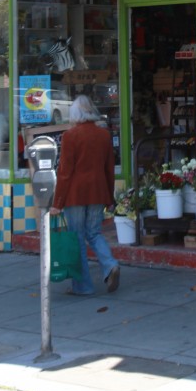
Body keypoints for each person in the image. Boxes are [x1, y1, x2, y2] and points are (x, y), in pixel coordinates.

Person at [49, 95, 120, 296]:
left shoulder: (70, 136)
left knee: (78, 236)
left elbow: (65, 172)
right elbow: (109, 169)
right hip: (98, 191)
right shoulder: (104, 135)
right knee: (94, 232)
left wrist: (57, 203)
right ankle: (111, 264)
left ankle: (83, 286)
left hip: (75, 194)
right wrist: (110, 197)